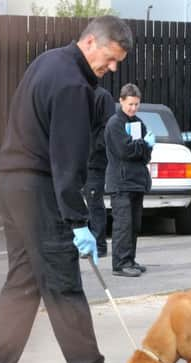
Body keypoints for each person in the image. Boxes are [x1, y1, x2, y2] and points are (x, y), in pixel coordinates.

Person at [0, 16, 133, 363]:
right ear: (91, 42)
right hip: (38, 187)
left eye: (117, 65)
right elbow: (68, 164)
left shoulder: (48, 61)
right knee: (63, 279)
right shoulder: (72, 86)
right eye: (110, 60)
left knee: (23, 283)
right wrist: (78, 221)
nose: (111, 70)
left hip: (12, 182)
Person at [104, 83, 155, 277]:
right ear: (121, 101)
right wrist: (142, 145)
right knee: (123, 225)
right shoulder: (115, 124)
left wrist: (143, 147)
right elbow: (125, 150)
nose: (133, 108)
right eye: (130, 104)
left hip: (136, 181)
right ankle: (120, 263)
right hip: (121, 182)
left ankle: (130, 259)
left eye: (136, 104)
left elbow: (144, 155)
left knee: (134, 224)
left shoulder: (139, 123)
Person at [85, 87, 116, 257]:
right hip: (78, 160)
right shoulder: (75, 94)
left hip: (93, 161)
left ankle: (99, 245)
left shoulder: (102, 96)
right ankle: (88, 244)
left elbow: (107, 129)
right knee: (84, 203)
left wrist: (93, 149)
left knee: (94, 203)